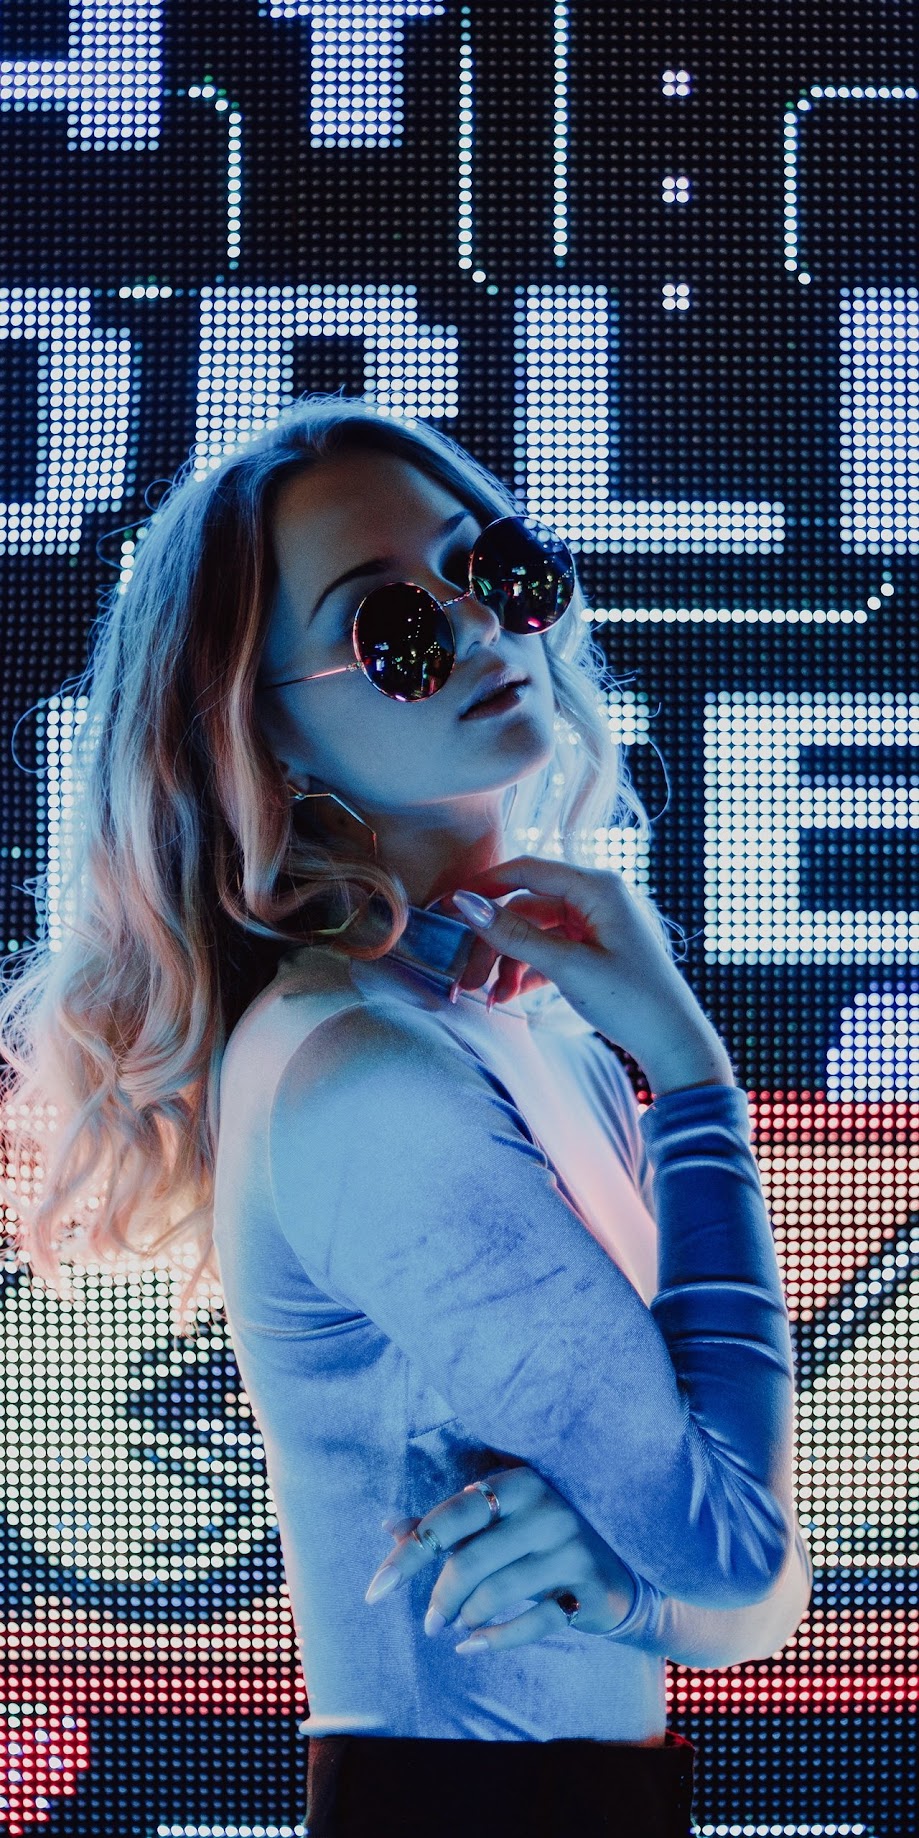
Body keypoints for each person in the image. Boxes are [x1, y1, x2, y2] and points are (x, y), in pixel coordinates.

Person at [0, 396, 812, 1838]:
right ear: (266, 725)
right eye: (393, 625)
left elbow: (741, 1594)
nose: (486, 627)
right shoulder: (362, 1071)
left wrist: (639, 1595)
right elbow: (738, 1559)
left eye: (493, 566)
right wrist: (694, 1081)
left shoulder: (524, 1027)